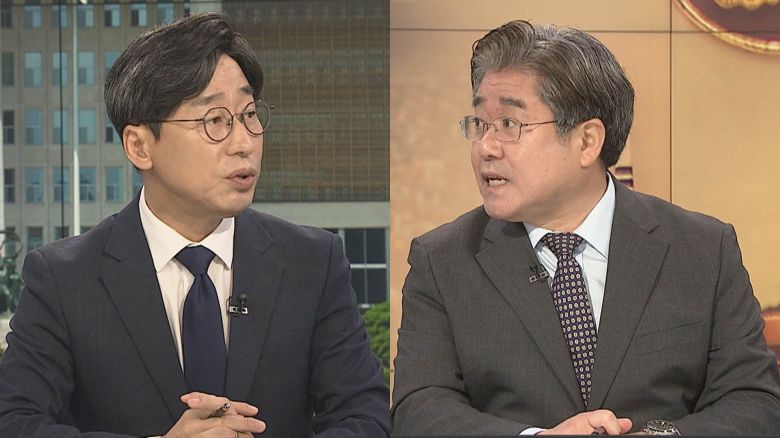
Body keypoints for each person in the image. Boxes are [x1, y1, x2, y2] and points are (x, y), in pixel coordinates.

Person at [0, 13, 389, 438]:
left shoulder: (312, 262)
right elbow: (15, 421)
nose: (244, 143)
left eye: (249, 115)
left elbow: (366, 418)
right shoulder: (64, 278)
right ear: (139, 146)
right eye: (214, 121)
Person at [392, 20, 780, 435]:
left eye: (509, 124)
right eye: (479, 124)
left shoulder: (703, 249)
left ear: (587, 141)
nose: (485, 147)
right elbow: (419, 409)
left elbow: (754, 403)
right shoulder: (443, 260)